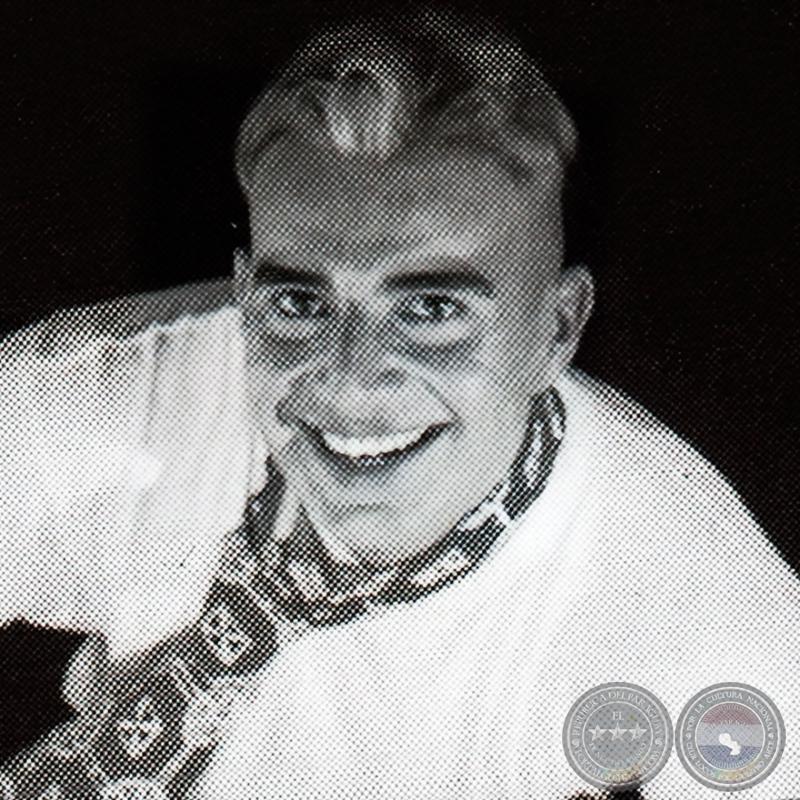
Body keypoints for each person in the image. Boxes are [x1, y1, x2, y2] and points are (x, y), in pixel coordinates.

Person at [0, 8, 798, 799]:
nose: (351, 381)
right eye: (299, 304)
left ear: (556, 329)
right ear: (244, 293)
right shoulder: (86, 399)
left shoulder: (711, 637)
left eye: (431, 310)